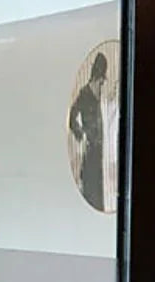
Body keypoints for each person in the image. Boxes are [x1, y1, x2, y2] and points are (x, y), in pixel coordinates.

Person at [69, 53, 108, 212]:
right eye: (101, 79)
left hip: (99, 151)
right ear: (96, 76)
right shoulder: (84, 93)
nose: (102, 83)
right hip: (90, 150)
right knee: (90, 188)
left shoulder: (98, 93)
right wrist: (81, 134)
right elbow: (72, 117)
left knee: (98, 193)